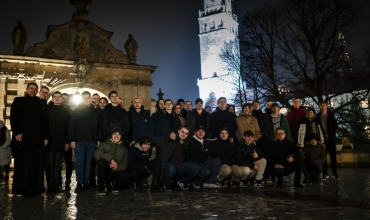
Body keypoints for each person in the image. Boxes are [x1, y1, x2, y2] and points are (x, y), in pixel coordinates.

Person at [11, 82, 49, 197]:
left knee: (37, 164)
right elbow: (13, 118)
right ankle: (23, 188)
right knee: (24, 165)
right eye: (31, 88)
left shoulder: (42, 103)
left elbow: (45, 122)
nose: (33, 90)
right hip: (24, 138)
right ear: (27, 89)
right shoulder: (19, 101)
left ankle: (36, 188)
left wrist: (46, 137)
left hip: (37, 139)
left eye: (35, 89)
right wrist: (17, 133)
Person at [68, 91, 103, 193]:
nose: (87, 99)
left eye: (88, 98)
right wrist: (72, 139)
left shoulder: (96, 112)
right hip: (79, 141)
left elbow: (99, 126)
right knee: (79, 162)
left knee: (89, 162)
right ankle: (79, 183)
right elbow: (71, 126)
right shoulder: (76, 111)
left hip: (92, 141)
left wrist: (98, 139)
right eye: (84, 98)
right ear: (82, 99)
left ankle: (86, 181)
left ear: (91, 98)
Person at [160, 126, 200, 191]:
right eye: (182, 132)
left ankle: (182, 181)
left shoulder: (187, 142)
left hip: (180, 165)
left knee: (196, 168)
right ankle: (166, 184)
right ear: (178, 131)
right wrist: (172, 133)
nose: (184, 134)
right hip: (169, 164)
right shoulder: (172, 139)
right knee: (171, 169)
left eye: (186, 133)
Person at [45, 91, 70, 193]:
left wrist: (67, 142)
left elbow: (67, 129)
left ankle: (57, 184)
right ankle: (50, 185)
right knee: (50, 164)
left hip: (60, 141)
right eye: (55, 96)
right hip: (49, 141)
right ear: (52, 98)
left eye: (59, 97)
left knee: (57, 165)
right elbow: (44, 125)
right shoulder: (47, 110)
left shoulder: (65, 112)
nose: (57, 98)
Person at [94, 127, 130, 195]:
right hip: (104, 170)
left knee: (126, 176)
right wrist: (111, 159)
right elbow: (97, 155)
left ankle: (114, 184)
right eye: (114, 134)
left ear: (121, 136)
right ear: (111, 135)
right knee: (101, 162)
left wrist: (116, 167)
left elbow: (124, 164)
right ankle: (101, 187)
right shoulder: (104, 144)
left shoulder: (124, 149)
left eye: (118, 135)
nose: (116, 136)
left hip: (115, 171)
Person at [251, 100, 273, 181]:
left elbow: (268, 126)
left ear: (260, 105)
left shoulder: (265, 115)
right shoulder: (250, 115)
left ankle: (267, 175)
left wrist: (261, 134)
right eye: (254, 104)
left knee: (266, 157)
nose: (256, 106)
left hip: (264, 138)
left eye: (257, 104)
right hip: (253, 139)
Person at [317, 102, 339, 180]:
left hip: (331, 139)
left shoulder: (330, 115)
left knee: (333, 156)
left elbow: (335, 126)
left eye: (324, 105)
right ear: (320, 107)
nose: (323, 107)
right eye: (321, 106)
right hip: (322, 140)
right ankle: (325, 173)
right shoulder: (318, 116)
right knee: (323, 157)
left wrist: (329, 133)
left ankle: (335, 173)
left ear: (326, 106)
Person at [61, 93, 73, 189]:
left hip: (67, 140)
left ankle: (68, 181)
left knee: (68, 162)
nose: (64, 100)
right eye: (63, 98)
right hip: (57, 140)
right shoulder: (56, 110)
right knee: (56, 162)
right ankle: (58, 181)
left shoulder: (72, 112)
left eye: (66, 98)